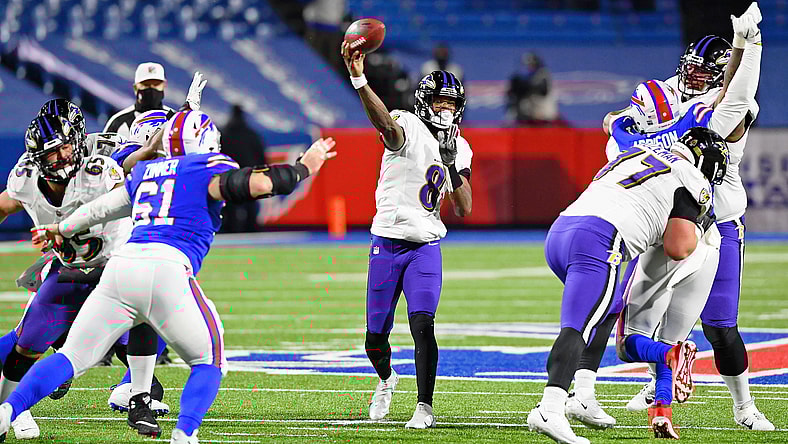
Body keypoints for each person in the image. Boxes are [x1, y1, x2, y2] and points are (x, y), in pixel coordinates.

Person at [6, 109, 337, 444]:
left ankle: (6, 411)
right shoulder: (207, 167)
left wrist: (58, 229)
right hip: (168, 269)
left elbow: (100, 208)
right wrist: (304, 167)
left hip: (121, 268)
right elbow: (261, 184)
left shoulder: (147, 172)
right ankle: (185, 433)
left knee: (71, 357)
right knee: (209, 362)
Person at [566, 5, 772, 434]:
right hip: (659, 212)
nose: (694, 77)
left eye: (705, 73)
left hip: (714, 221)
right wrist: (617, 123)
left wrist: (747, 44)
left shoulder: (721, 105)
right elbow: (617, 128)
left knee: (719, 324)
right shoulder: (657, 92)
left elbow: (736, 92)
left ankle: (744, 406)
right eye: (691, 69)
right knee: (616, 303)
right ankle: (585, 390)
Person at [526, 121, 728, 444]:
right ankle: (550, 407)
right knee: (577, 327)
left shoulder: (637, 152)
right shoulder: (691, 178)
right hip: (599, 239)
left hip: (562, 230)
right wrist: (701, 222)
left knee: (608, 309)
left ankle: (583, 395)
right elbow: (678, 247)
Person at [341, 41, 473, 429]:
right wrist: (359, 77)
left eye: (452, 104)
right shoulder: (409, 125)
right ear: (424, 103)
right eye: (440, 103)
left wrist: (449, 161)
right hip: (386, 241)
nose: (446, 110)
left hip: (425, 246)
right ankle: (386, 378)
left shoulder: (460, 147)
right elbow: (386, 124)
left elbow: (464, 207)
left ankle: (424, 407)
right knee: (374, 339)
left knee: (422, 325)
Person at [0, 111, 132, 440]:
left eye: (62, 149)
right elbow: (3, 205)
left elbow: (131, 194)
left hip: (118, 270)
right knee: (27, 343)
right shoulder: (27, 177)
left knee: (142, 342)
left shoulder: (99, 169)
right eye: (48, 153)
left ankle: (141, 394)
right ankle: (5, 412)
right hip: (71, 270)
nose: (57, 159)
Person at [103, 63, 206, 139]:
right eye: (146, 84)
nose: (151, 89)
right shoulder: (118, 122)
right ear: (135, 88)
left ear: (164, 85)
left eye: (156, 84)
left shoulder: (174, 119)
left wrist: (188, 119)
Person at [219, 104, 267, 233]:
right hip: (249, 174)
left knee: (230, 205)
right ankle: (251, 229)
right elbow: (260, 156)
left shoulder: (223, 134)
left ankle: (230, 229)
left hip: (229, 175)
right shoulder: (251, 134)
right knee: (250, 204)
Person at [507, 52, 560, 126]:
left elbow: (542, 90)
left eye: (530, 64)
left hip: (544, 117)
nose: (529, 67)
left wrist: (522, 87)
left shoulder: (542, 74)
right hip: (532, 116)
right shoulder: (529, 77)